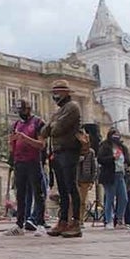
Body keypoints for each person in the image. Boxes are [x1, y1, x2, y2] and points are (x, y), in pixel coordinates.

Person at [45, 80, 83, 238]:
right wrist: (53, 125)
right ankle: (63, 221)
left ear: (66, 93)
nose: (55, 96)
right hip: (58, 152)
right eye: (54, 92)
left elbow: (57, 128)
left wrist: (53, 125)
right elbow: (45, 130)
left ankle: (75, 222)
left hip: (69, 151)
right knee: (62, 189)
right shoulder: (59, 111)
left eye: (58, 92)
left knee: (71, 187)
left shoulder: (72, 107)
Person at [8, 99, 44, 234]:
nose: (20, 113)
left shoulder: (38, 123)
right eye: (18, 111)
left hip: (33, 161)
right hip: (19, 162)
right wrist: (11, 145)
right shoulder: (16, 124)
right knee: (20, 194)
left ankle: (40, 223)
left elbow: (41, 144)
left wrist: (25, 138)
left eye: (22, 110)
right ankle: (19, 223)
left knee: (37, 192)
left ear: (28, 109)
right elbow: (12, 144)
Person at [97, 128, 129, 229]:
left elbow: (127, 159)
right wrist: (112, 158)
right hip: (110, 175)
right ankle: (108, 220)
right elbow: (100, 159)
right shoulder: (105, 146)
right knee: (110, 198)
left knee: (124, 198)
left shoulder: (122, 147)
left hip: (120, 174)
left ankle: (119, 219)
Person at [77, 139, 98, 226]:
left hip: (86, 179)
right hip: (76, 178)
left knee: (83, 201)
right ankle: (74, 218)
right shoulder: (76, 151)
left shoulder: (91, 152)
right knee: (75, 200)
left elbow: (94, 167)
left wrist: (92, 180)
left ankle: (81, 219)